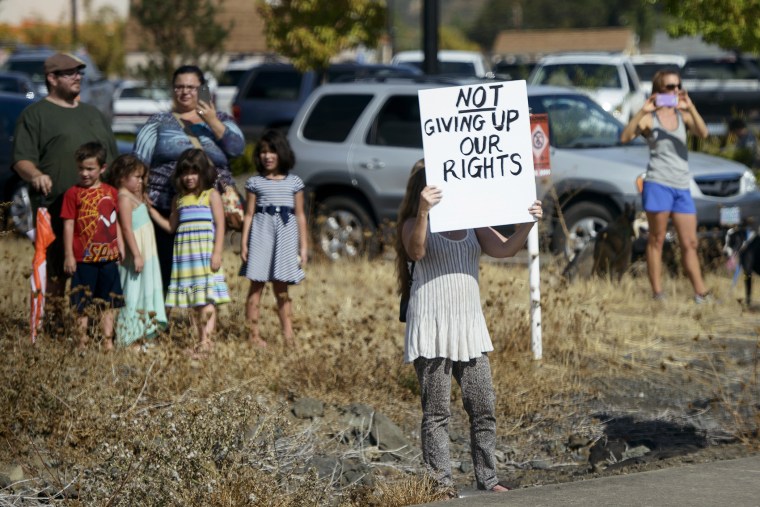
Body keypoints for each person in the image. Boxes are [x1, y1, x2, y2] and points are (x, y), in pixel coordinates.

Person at [394, 159, 543, 494]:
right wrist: (422, 212)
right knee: (436, 412)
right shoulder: (413, 223)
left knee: (483, 404)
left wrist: (528, 223)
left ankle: (488, 478)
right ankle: (441, 484)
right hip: (432, 326)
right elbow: (416, 251)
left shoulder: (471, 221)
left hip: (469, 326)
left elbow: (504, 248)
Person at [12, 52, 118, 298]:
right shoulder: (35, 114)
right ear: (52, 78)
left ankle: (91, 325)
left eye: (79, 72)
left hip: (98, 211)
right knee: (57, 271)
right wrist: (36, 174)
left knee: (99, 271)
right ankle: (54, 326)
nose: (77, 77)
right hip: (57, 208)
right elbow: (21, 160)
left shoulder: (93, 114)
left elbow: (113, 159)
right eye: (70, 73)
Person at [133, 64, 245, 296]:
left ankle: (203, 323)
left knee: (206, 269)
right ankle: (161, 321)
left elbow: (237, 148)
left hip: (209, 210)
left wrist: (212, 120)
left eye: (191, 87)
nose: (184, 92)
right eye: (179, 87)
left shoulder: (222, 119)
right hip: (165, 206)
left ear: (202, 89)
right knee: (164, 268)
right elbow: (138, 162)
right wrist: (137, 195)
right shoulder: (159, 122)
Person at [620, 69, 711, 303]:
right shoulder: (650, 118)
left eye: (678, 86)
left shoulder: (684, 115)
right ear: (659, 90)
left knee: (690, 242)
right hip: (658, 183)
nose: (676, 91)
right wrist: (643, 110)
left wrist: (690, 106)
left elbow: (704, 132)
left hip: (681, 186)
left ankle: (701, 293)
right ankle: (657, 293)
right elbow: (625, 137)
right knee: (657, 239)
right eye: (670, 87)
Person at [150, 148, 230, 356]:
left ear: (203, 173)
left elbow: (221, 225)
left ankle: (207, 342)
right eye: (185, 173)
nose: (189, 177)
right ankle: (200, 341)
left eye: (194, 172)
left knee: (207, 301)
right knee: (195, 303)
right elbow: (170, 226)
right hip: (186, 259)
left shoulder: (211, 195)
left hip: (205, 255)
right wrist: (150, 210)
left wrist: (217, 252)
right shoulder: (179, 199)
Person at [240, 129, 308, 348]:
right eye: (262, 152)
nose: (267, 156)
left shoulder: (294, 182)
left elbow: (300, 215)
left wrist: (303, 247)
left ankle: (288, 336)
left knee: (282, 289)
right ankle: (253, 335)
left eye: (272, 151)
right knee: (256, 287)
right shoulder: (254, 183)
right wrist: (244, 242)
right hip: (261, 236)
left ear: (282, 153)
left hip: (285, 239)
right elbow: (249, 214)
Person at [61, 142, 123, 350]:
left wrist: (120, 247)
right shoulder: (73, 193)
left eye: (90, 169)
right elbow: (68, 224)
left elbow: (116, 222)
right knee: (81, 303)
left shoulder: (111, 192)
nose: (84, 173)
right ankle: (82, 342)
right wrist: (69, 255)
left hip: (108, 257)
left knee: (108, 301)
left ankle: (107, 341)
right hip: (83, 258)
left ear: (102, 168)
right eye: (81, 168)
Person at [111, 154, 168, 348]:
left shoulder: (134, 197)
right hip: (137, 253)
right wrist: (136, 254)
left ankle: (144, 332)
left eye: (142, 177)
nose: (141, 181)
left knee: (145, 290)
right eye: (137, 177)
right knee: (133, 292)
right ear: (121, 176)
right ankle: (129, 336)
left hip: (146, 253)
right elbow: (126, 228)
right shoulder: (123, 199)